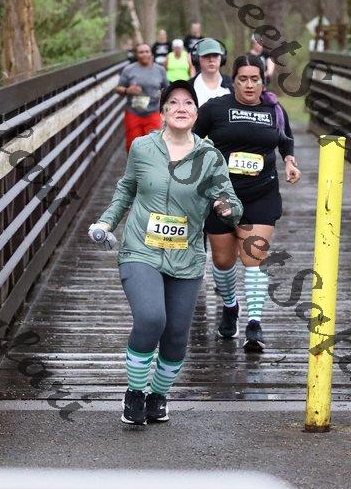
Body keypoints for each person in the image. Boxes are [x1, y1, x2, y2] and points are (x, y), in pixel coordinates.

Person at [88, 80, 243, 425]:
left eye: (188, 103)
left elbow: (232, 201)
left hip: (186, 257)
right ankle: (134, 392)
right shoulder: (142, 148)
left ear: (196, 113)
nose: (181, 108)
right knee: (151, 318)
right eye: (173, 102)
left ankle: (158, 394)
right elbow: (126, 190)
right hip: (141, 249)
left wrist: (227, 208)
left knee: (175, 334)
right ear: (162, 112)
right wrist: (106, 222)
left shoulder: (210, 157)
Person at [193, 54, 301, 352]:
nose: (250, 85)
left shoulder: (273, 109)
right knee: (223, 261)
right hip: (221, 195)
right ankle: (230, 307)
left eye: (255, 79)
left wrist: (289, 161)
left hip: (261, 193)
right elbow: (190, 138)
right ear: (234, 81)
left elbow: (285, 139)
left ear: (263, 81)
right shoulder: (216, 108)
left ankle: (254, 323)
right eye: (243, 79)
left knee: (254, 257)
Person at [116, 43, 169, 152]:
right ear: (136, 54)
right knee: (133, 146)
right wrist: (127, 90)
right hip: (133, 113)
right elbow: (118, 89)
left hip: (153, 112)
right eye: (141, 52)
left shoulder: (160, 70)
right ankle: (134, 163)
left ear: (151, 53)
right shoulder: (129, 70)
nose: (144, 54)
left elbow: (167, 88)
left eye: (147, 51)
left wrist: (162, 94)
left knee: (153, 146)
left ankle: (150, 163)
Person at [189, 38, 232, 106]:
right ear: (197, 59)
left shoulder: (232, 85)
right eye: (206, 56)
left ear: (222, 58)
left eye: (215, 55)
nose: (211, 60)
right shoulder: (189, 87)